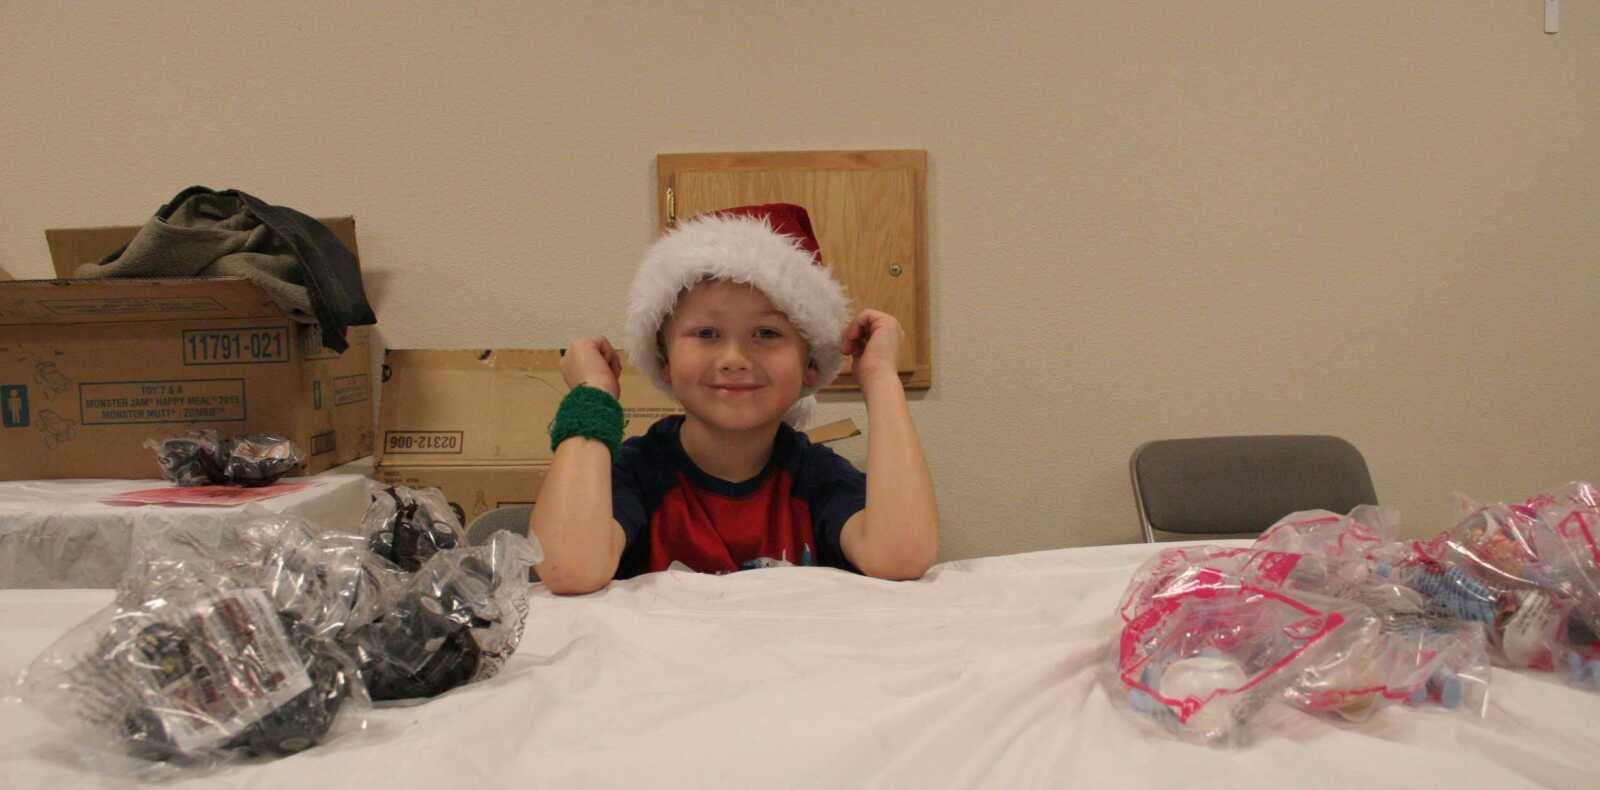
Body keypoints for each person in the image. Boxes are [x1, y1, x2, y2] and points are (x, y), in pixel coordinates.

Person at [529, 203, 938, 594]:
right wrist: (593, 392)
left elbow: (900, 557)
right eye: (706, 333)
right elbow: (568, 568)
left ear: (810, 365)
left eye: (767, 333)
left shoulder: (815, 477)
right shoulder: (637, 473)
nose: (733, 359)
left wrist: (880, 377)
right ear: (664, 360)